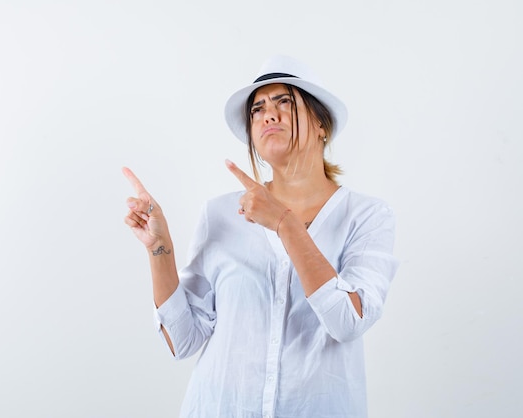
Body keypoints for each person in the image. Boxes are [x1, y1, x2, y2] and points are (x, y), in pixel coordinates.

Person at [123, 54, 398, 418]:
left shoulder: (366, 217)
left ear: (321, 124)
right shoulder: (220, 214)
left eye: (285, 101)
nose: (269, 114)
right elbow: (183, 341)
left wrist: (284, 223)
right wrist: (160, 248)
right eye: (257, 109)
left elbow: (348, 322)